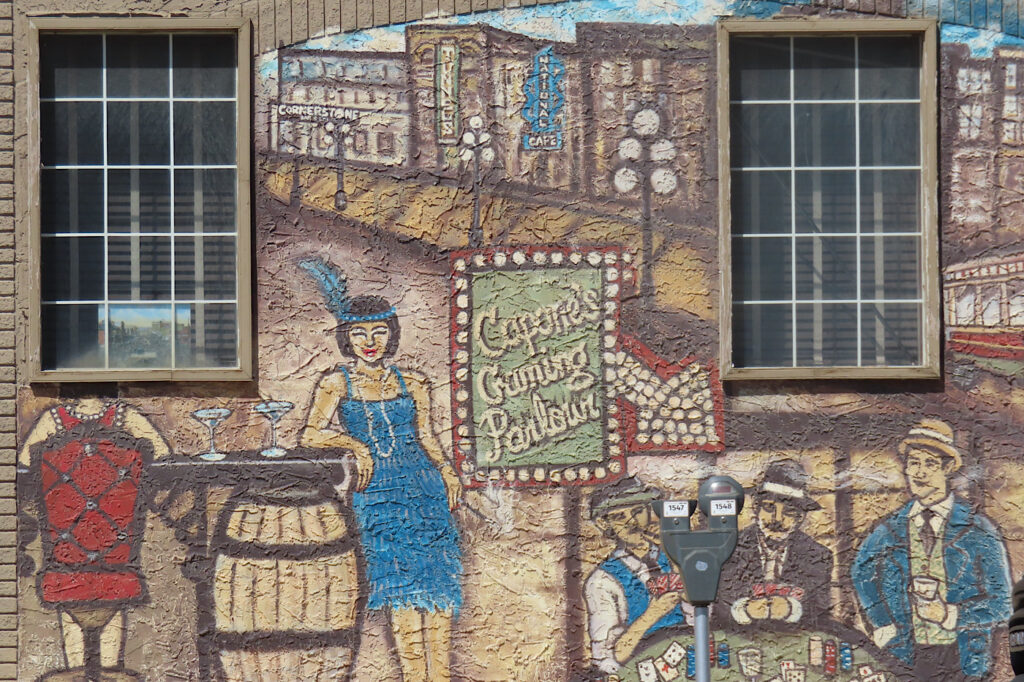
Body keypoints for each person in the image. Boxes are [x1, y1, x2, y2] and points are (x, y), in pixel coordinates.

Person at [300, 259, 462, 682]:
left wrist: (447, 471)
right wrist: (353, 444)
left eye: (378, 332)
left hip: (424, 488)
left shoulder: (414, 382)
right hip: (377, 494)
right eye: (359, 333)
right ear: (346, 339)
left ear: (391, 335)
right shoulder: (336, 383)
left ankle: (440, 677)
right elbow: (311, 434)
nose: (369, 342)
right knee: (399, 590)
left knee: (438, 584)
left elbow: (427, 436)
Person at [18, 398, 169, 681]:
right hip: (118, 564)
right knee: (107, 662)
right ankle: (107, 671)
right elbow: (164, 461)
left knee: (78, 645)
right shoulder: (128, 417)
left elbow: (23, 471)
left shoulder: (52, 421)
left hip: (64, 568)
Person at [852, 418, 1011, 680]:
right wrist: (883, 624)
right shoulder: (888, 530)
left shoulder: (979, 530)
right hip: (905, 657)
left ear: (947, 469)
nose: (920, 473)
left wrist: (950, 614)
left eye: (930, 464)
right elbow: (861, 571)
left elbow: (1003, 604)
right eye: (914, 463)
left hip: (964, 659)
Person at [584, 476, 692, 676]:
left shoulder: (674, 558)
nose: (632, 523)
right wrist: (653, 613)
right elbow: (606, 658)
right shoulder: (602, 581)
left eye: (638, 512)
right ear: (605, 523)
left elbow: (703, 618)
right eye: (619, 517)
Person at [716, 462, 833, 629]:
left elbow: (819, 608)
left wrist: (791, 609)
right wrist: (744, 610)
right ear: (756, 508)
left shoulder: (817, 555)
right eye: (769, 508)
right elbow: (720, 603)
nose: (777, 519)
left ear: (800, 518)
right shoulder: (730, 549)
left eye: (789, 512)